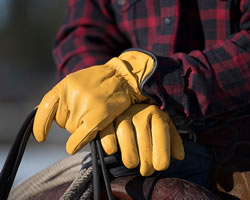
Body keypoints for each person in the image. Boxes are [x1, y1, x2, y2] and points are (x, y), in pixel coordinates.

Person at [33, 0, 250, 191]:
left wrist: (149, 83)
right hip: (133, 137)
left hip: (235, 149)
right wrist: (115, 102)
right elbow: (81, 35)